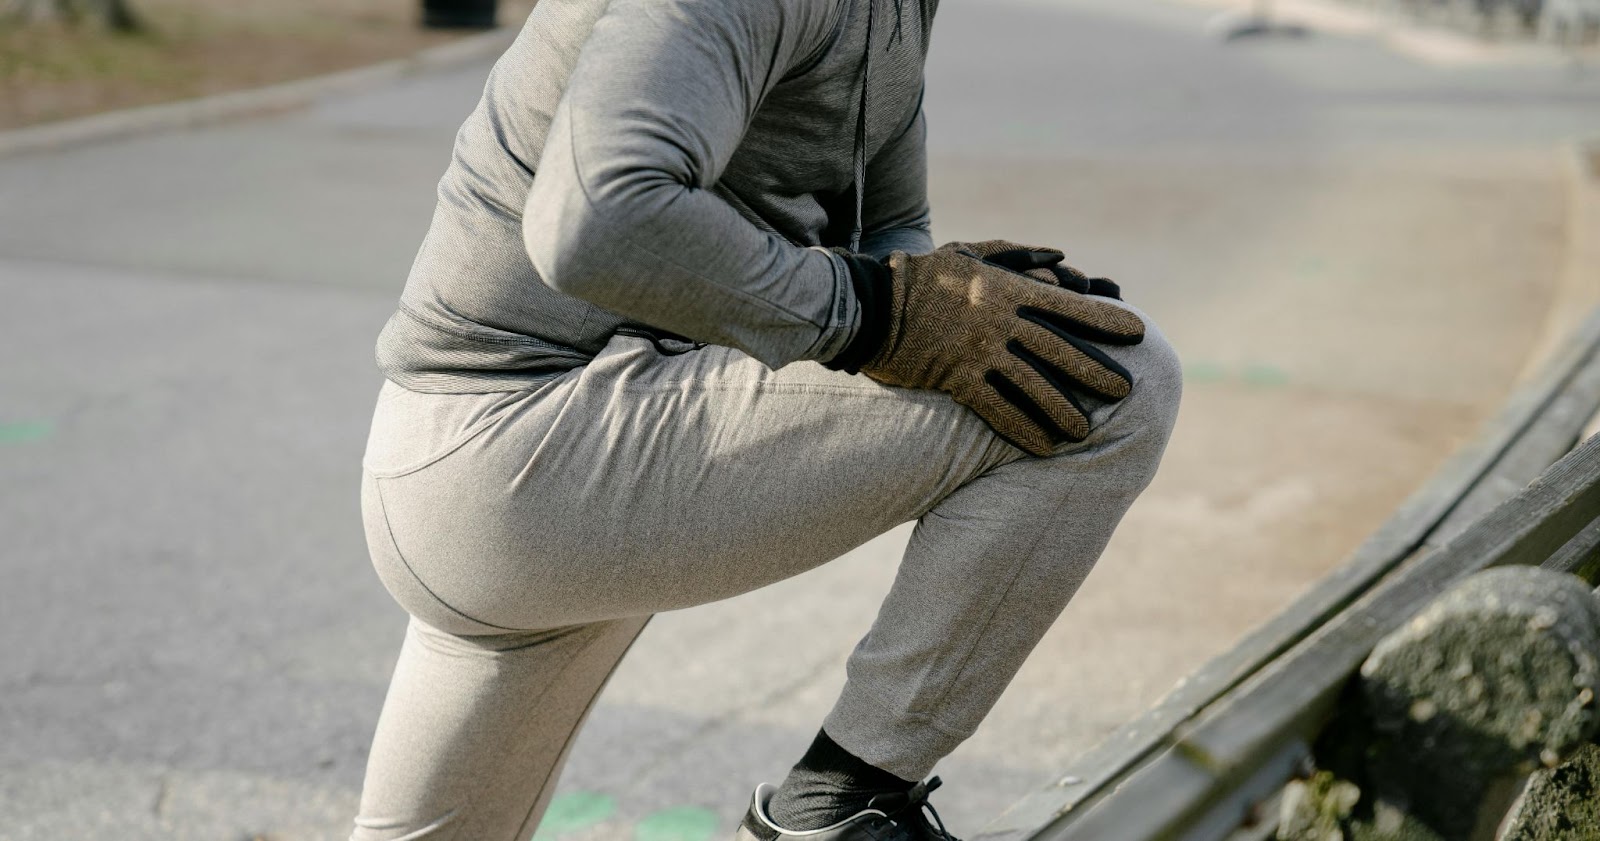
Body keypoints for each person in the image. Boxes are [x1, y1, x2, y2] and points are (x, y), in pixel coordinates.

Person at [351, 0, 1183, 838]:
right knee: (1117, 380)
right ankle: (840, 809)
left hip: (493, 476)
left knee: (1039, 344)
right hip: (523, 456)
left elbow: (885, 237)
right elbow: (594, 216)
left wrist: (945, 291)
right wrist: (880, 312)